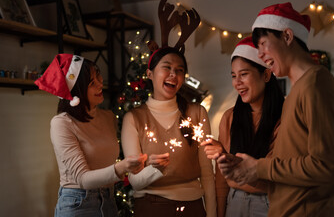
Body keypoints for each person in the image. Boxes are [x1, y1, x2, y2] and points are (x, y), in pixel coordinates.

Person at [218, 2, 334, 217]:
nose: (259, 55)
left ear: (287, 36)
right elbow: (291, 169)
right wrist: (245, 167)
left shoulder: (315, 84)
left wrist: (258, 167)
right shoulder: (299, 90)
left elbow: (327, 166)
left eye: (262, 44)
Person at [35, 53, 147, 217]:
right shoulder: (62, 123)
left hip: (109, 200)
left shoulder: (108, 117)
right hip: (78, 204)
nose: (100, 84)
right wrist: (122, 167)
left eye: (98, 77)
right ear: (77, 90)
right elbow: (83, 179)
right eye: (92, 83)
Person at [121, 47, 217, 217]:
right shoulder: (134, 118)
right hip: (151, 207)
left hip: (192, 207)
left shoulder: (197, 113)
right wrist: (154, 169)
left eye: (179, 70)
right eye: (167, 67)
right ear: (150, 74)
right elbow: (135, 182)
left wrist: (211, 214)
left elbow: (207, 173)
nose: (174, 74)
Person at [201, 36, 284, 217]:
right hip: (234, 201)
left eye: (244, 74)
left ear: (266, 74)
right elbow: (221, 179)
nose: (237, 82)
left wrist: (234, 166)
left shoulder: (285, 118)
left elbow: (279, 177)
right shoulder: (230, 117)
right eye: (233, 76)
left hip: (270, 203)